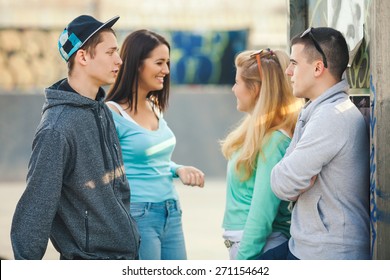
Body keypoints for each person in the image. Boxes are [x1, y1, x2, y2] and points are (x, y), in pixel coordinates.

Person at [10, 15, 140, 260]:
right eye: (110, 52)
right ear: (82, 57)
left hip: (125, 257)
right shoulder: (57, 129)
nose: (119, 60)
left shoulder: (101, 110)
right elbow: (36, 208)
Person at [259, 27, 370, 260]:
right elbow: (285, 181)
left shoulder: (331, 117)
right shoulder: (316, 109)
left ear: (318, 68)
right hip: (305, 246)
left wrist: (295, 179)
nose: (288, 72)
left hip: (326, 255)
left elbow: (283, 183)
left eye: (294, 63)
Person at [105, 29, 205, 260]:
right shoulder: (111, 113)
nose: (166, 71)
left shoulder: (155, 107)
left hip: (171, 211)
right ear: (136, 65)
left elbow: (152, 160)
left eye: (167, 63)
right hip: (139, 214)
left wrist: (178, 169)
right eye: (159, 62)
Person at [220, 48, 303, 260]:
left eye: (237, 82)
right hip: (249, 246)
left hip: (257, 250)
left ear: (255, 89)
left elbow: (262, 213)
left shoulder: (275, 141)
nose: (233, 89)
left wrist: (242, 261)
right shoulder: (260, 133)